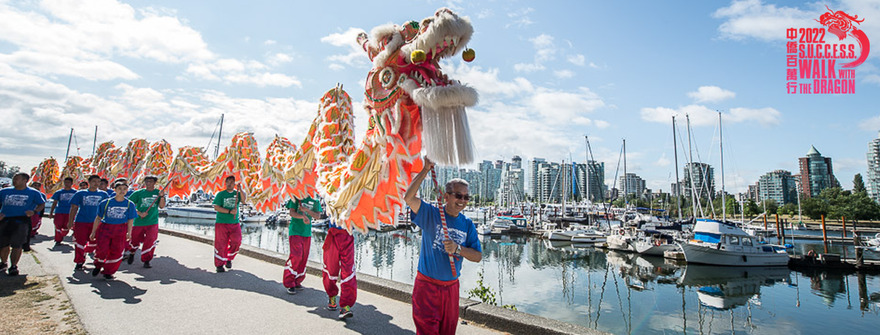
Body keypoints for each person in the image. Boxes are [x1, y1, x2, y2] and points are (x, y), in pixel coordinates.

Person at [404, 158, 482, 335]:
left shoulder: (468, 224)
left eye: (466, 197)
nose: (463, 200)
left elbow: (477, 256)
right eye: (458, 195)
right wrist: (425, 170)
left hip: (451, 289)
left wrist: (458, 249)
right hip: (427, 286)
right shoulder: (431, 213)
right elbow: (409, 197)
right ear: (446, 197)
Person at [0, 173, 46, 276]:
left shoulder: (33, 193)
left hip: (22, 221)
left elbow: (41, 204)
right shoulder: (4, 192)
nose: (14, 181)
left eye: (17, 179)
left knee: (17, 245)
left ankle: (14, 266)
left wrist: (34, 211)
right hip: (5, 220)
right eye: (14, 178)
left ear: (25, 180)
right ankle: (3, 262)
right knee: (3, 244)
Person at [90, 179, 136, 280]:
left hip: (120, 229)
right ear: (114, 190)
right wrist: (93, 232)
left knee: (117, 251)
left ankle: (108, 272)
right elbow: (98, 218)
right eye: (119, 189)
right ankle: (98, 265)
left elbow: (130, 220)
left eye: (124, 189)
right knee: (102, 249)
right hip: (105, 227)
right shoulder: (105, 203)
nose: (122, 191)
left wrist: (129, 232)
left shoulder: (130, 204)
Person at [68, 175, 110, 270]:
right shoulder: (80, 194)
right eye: (94, 181)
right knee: (80, 242)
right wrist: (70, 221)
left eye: (98, 182)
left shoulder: (103, 194)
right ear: (89, 182)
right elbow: (74, 208)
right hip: (81, 221)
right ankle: (79, 261)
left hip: (97, 223)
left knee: (97, 242)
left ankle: (97, 260)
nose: (96, 183)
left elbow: (107, 209)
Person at [283, 196, 321, 294]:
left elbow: (318, 216)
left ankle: (297, 280)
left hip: (306, 233)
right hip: (295, 231)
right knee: (296, 256)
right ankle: (289, 282)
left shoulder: (315, 200)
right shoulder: (295, 197)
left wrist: (307, 211)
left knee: (303, 258)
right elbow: (292, 212)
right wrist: (302, 216)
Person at [126, 176, 165, 268]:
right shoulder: (139, 193)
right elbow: (128, 204)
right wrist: (139, 213)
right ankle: (132, 252)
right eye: (146, 181)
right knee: (134, 240)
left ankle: (146, 260)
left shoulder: (158, 193)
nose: (148, 183)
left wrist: (162, 196)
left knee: (150, 241)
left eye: (150, 181)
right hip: (138, 222)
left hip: (152, 222)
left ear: (155, 182)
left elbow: (162, 206)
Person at [322, 219, 357, 319]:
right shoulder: (330, 202)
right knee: (330, 270)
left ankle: (346, 306)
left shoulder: (354, 203)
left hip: (347, 236)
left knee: (348, 272)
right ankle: (331, 296)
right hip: (333, 236)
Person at [212, 176, 245, 273]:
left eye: (232, 182)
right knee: (221, 243)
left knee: (237, 241)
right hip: (221, 223)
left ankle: (229, 258)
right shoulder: (220, 194)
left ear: (235, 183)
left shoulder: (237, 194)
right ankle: (219, 265)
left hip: (234, 223)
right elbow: (216, 207)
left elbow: (243, 200)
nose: (230, 184)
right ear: (225, 183)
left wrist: (241, 189)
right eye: (228, 182)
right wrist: (229, 211)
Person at [48, 177, 77, 247]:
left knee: (67, 226)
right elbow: (54, 202)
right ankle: (58, 240)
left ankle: (62, 234)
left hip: (70, 213)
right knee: (57, 225)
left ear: (72, 183)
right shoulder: (59, 192)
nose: (67, 184)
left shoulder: (75, 193)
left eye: (68, 182)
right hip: (59, 211)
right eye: (65, 182)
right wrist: (51, 212)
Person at [23, 181, 47, 251]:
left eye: (38, 185)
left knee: (35, 223)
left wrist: (41, 213)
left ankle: (32, 233)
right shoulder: (29, 193)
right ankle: (28, 234)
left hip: (37, 212)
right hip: (28, 211)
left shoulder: (42, 195)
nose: (36, 187)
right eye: (35, 185)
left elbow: (43, 204)